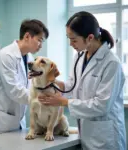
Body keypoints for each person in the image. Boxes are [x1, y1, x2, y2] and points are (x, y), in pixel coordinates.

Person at [38, 11, 126, 150]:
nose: (70, 44)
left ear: (90, 38)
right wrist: (54, 82)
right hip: (87, 133)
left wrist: (63, 102)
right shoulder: (79, 57)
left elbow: (102, 105)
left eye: (73, 40)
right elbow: (73, 86)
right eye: (68, 38)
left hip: (106, 138)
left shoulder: (111, 63)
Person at [0, 19, 49, 133]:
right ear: (27, 36)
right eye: (39, 40)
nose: (41, 45)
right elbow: (14, 90)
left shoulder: (30, 58)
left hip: (16, 121)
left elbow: (30, 86)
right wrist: (41, 98)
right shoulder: (6, 55)